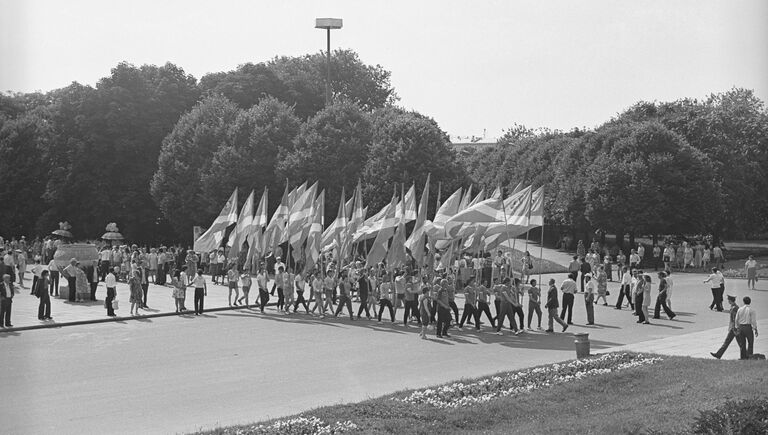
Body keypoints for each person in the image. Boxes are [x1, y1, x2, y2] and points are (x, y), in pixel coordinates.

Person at [710, 295, 739, 359]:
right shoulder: (734, 307)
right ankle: (745, 355)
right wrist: (720, 310)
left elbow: (734, 319)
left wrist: (733, 328)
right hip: (735, 328)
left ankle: (718, 354)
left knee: (727, 342)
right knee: (740, 343)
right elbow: (729, 312)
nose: (728, 301)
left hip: (734, 328)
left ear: (730, 300)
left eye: (728, 300)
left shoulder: (734, 308)